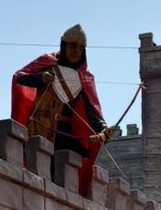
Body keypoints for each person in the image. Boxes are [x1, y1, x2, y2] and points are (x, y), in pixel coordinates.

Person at [11, 24, 113, 197]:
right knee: (39, 166)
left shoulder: (85, 78)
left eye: (80, 48)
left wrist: (102, 128)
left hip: (65, 133)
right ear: (64, 45)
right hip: (42, 127)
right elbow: (20, 78)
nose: (76, 51)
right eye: (72, 46)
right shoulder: (47, 63)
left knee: (68, 167)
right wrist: (40, 78)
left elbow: (91, 109)